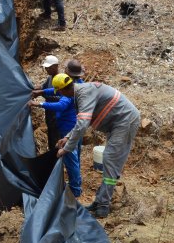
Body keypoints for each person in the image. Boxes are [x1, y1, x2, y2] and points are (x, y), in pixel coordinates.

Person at [54, 77, 141, 218]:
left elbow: (82, 124)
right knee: (109, 162)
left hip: (125, 121)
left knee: (110, 161)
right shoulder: (81, 92)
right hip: (118, 123)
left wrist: (67, 148)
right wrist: (67, 137)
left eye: (59, 92)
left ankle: (103, 204)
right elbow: (83, 121)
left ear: (62, 90)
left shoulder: (83, 94)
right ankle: (100, 200)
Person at [30, 73, 82, 198]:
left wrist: (39, 104)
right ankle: (76, 183)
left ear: (62, 89)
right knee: (75, 157)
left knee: (70, 158)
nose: (57, 92)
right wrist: (41, 92)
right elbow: (53, 91)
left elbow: (60, 106)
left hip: (68, 130)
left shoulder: (68, 96)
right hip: (76, 127)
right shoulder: (74, 87)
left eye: (58, 90)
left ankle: (75, 190)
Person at [37, 55, 61, 151]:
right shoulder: (50, 78)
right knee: (51, 136)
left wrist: (43, 95)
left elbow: (61, 98)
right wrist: (32, 89)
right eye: (46, 68)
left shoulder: (60, 79)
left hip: (57, 114)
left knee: (56, 138)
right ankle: (52, 157)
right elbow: (43, 88)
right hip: (50, 114)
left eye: (49, 68)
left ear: (55, 66)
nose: (47, 70)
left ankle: (58, 161)